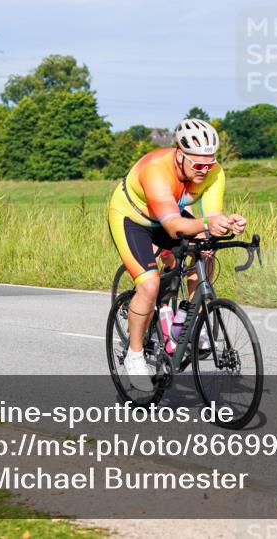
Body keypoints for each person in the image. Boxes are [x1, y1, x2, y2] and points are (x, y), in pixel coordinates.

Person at [107, 119, 246, 391]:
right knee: (149, 285)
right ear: (180, 155)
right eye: (198, 164)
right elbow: (172, 226)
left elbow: (211, 217)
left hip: (167, 215)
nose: (205, 171)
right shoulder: (156, 170)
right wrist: (206, 224)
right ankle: (135, 355)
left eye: (210, 163)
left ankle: (186, 321)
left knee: (206, 251)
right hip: (133, 220)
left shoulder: (214, 173)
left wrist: (227, 224)